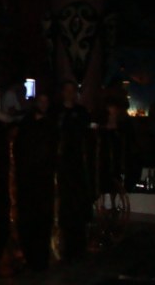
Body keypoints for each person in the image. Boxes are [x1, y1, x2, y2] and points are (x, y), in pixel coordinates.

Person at [15, 91, 57, 272]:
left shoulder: (51, 123)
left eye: (46, 101)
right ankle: (29, 256)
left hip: (44, 178)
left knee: (42, 218)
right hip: (28, 178)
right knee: (29, 218)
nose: (44, 104)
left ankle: (40, 258)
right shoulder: (27, 123)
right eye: (41, 101)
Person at [55, 80, 93, 262]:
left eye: (73, 91)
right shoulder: (57, 112)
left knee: (78, 203)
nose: (70, 94)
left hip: (77, 165)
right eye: (67, 90)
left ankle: (79, 243)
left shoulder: (81, 112)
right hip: (61, 164)